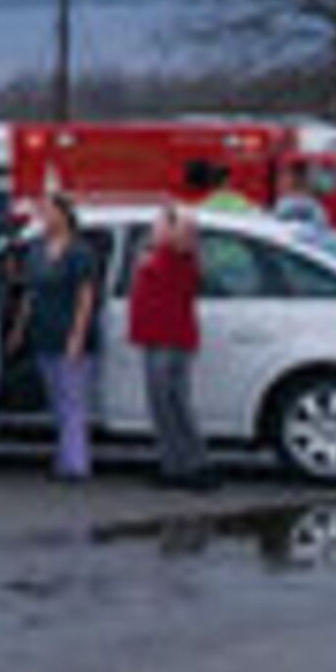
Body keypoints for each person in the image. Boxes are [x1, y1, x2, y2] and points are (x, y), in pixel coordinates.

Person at [9, 193, 105, 481]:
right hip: (44, 332)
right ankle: (65, 458)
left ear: (64, 216)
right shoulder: (37, 250)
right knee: (57, 400)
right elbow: (30, 293)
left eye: (48, 212)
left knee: (72, 398)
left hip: (70, 334)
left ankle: (76, 465)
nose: (44, 218)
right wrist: (18, 329)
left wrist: (77, 335)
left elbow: (85, 297)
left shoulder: (80, 252)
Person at [129, 201, 212, 490]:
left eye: (161, 225)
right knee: (162, 406)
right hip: (154, 337)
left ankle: (195, 464)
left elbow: (185, 234)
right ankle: (172, 464)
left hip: (171, 338)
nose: (155, 230)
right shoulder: (158, 254)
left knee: (175, 404)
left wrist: (176, 221)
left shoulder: (178, 255)